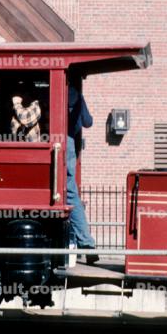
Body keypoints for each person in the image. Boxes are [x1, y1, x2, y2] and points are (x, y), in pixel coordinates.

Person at [67, 78, 98, 264]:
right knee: (71, 194)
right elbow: (88, 122)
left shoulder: (52, 92)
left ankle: (85, 243)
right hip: (71, 144)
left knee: (69, 193)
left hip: (63, 144)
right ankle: (85, 243)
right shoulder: (78, 96)